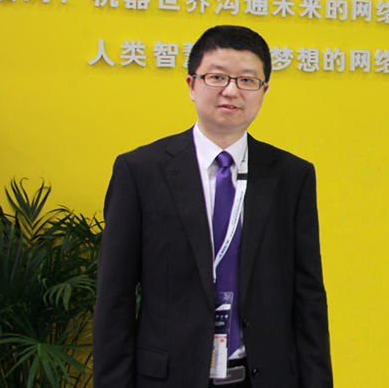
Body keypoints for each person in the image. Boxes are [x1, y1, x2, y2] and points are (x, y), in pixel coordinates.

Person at [93, 25, 333, 388]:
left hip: (264, 376)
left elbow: (308, 295)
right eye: (217, 77)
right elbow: (115, 297)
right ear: (191, 85)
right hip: (168, 378)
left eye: (247, 80)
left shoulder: (291, 175)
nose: (231, 90)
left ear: (264, 91)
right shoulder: (141, 171)